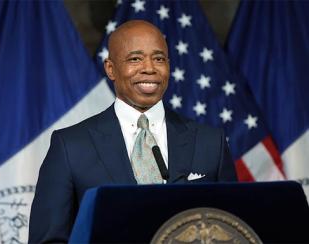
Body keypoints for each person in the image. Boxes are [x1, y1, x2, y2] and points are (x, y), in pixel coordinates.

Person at [29, 20, 237, 243]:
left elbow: (234, 228)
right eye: (135, 59)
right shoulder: (70, 146)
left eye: (158, 59)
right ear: (111, 69)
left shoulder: (211, 142)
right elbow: (48, 240)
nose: (149, 68)